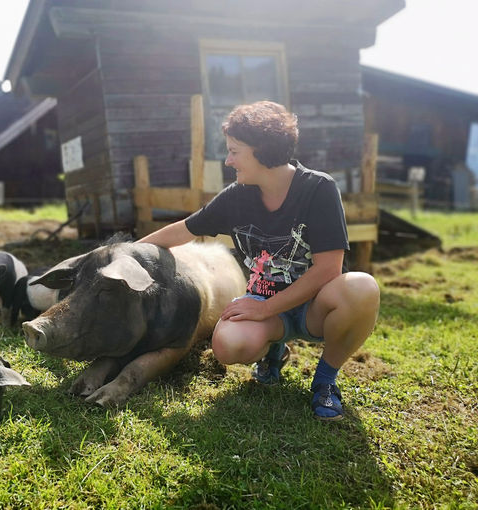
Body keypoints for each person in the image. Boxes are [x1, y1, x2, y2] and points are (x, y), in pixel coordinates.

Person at [138, 101, 380, 421]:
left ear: (262, 151)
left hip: (314, 306)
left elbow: (328, 269)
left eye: (235, 151)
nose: (228, 160)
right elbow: (184, 231)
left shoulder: (318, 189)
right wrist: (124, 252)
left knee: (362, 287)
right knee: (227, 346)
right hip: (263, 302)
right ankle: (273, 352)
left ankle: (325, 381)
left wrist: (265, 308)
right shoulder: (237, 196)